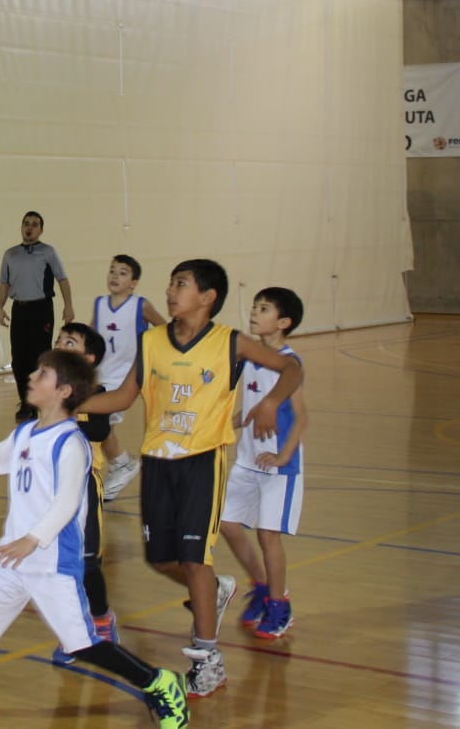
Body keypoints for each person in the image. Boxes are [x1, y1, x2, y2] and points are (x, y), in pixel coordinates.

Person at [0, 349, 189, 729]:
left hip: (52, 562)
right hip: (11, 557)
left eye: (42, 374)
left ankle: (158, 682)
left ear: (64, 391)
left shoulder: (70, 443)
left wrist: (33, 539)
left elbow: (67, 503)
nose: (31, 377)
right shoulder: (26, 432)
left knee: (83, 645)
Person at [77, 258, 303, 699]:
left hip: (202, 462)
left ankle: (207, 658)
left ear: (207, 297)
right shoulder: (151, 341)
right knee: (161, 559)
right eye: (170, 283)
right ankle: (214, 590)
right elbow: (124, 396)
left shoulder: (230, 342)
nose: (170, 291)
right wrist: (71, 405)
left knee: (196, 558)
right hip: (157, 461)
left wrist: (272, 401)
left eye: (180, 284)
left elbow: (292, 369)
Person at [218, 287, 307, 641]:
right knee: (228, 524)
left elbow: (301, 417)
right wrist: (230, 424)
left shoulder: (290, 362)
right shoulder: (252, 357)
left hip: (277, 465)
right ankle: (261, 586)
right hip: (247, 459)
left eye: (264, 308)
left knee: (268, 535)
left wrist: (284, 456)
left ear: (283, 322)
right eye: (255, 307)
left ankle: (279, 604)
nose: (254, 312)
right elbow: (253, 404)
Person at [50, 322, 120, 664]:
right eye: (59, 340)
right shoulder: (46, 391)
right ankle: (74, 632)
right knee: (61, 566)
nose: (60, 344)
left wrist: (69, 409)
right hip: (52, 488)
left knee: (88, 562)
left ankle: (102, 619)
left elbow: (100, 429)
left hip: (83, 487)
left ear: (89, 358)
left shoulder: (97, 393)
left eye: (70, 342)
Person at [92, 255, 166, 500]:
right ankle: (120, 463)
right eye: (112, 271)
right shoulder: (99, 304)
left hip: (125, 379)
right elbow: (91, 338)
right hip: (100, 375)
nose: (115, 276)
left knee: (98, 422)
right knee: (98, 425)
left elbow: (164, 330)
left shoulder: (140, 306)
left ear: (133, 283)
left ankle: (120, 463)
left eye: (122, 273)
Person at [0, 211, 74, 422]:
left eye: (34, 224)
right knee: (18, 359)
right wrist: (0, 306)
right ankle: (26, 402)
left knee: (39, 357)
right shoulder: (10, 255)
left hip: (41, 309)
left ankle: (42, 400)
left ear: (41, 230)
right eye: (26, 223)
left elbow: (63, 280)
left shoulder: (48, 252)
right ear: (21, 227)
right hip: (19, 310)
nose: (29, 227)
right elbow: (4, 284)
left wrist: (68, 306)